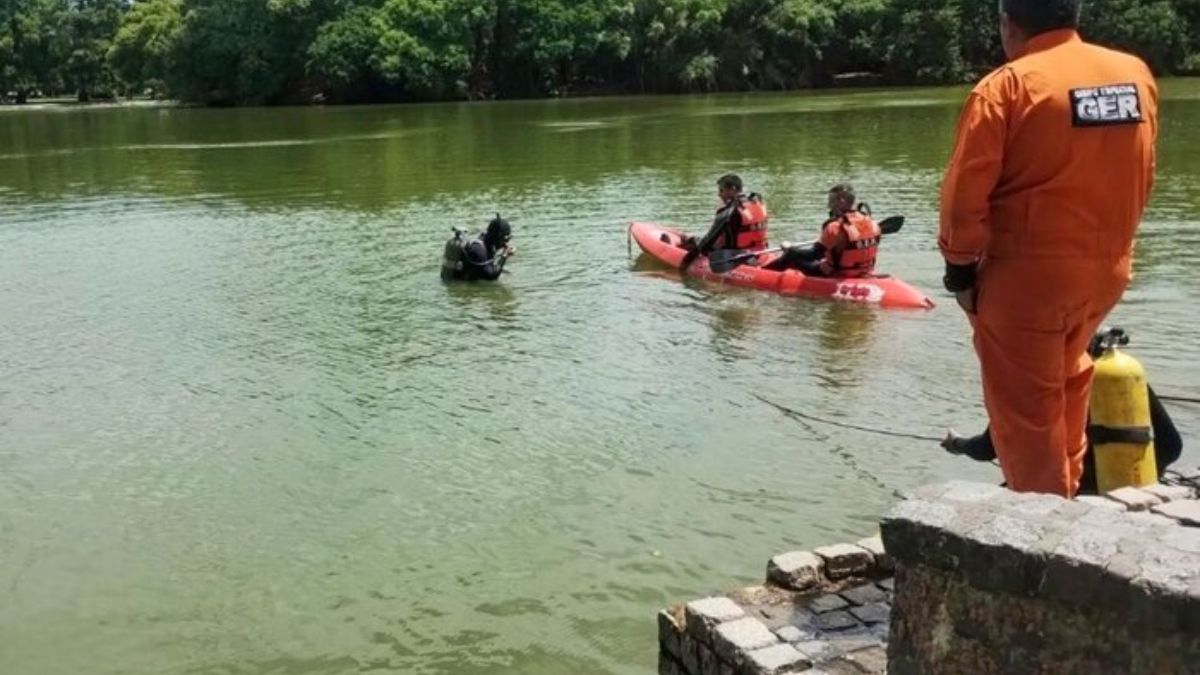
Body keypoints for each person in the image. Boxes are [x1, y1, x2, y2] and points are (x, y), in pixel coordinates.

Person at [939, 0, 1158, 497]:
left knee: (1027, 419)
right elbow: (1144, 170)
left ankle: (1044, 543)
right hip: (1106, 270)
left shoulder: (1007, 87)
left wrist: (960, 271)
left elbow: (962, 197)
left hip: (1027, 279)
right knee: (1068, 383)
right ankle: (1068, 496)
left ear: (1007, 23)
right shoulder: (1134, 75)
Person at [942, 330, 1183, 496]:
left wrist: (957, 443)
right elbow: (1172, 446)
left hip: (1067, 494)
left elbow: (986, 449)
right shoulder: (1122, 376)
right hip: (1131, 486)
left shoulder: (1035, 384)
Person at [764, 183, 881, 277]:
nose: (829, 206)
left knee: (791, 256)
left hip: (836, 274)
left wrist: (790, 248)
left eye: (831, 201)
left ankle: (761, 274)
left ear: (841, 202)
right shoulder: (872, 223)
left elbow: (812, 255)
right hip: (863, 271)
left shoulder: (834, 227)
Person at [680, 174, 768, 269]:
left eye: (722, 190)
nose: (719, 194)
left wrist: (685, 262)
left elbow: (706, 244)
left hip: (735, 257)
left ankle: (690, 240)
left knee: (698, 242)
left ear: (733, 189)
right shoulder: (757, 203)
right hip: (760, 253)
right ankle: (690, 239)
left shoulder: (728, 211)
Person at [441, 215, 514, 282]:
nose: (506, 243)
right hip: (457, 285)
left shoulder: (487, 243)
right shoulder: (478, 250)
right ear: (498, 237)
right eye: (505, 239)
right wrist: (504, 255)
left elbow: (489, 265)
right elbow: (491, 277)